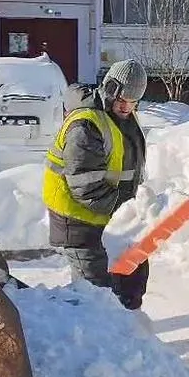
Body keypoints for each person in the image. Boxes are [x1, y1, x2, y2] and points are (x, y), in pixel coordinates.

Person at [42, 59, 149, 310]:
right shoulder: (87, 124)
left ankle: (130, 332)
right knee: (95, 294)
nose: (126, 107)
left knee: (132, 276)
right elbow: (84, 184)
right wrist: (124, 213)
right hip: (79, 220)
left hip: (107, 216)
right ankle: (92, 341)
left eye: (133, 102)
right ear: (110, 90)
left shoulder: (122, 117)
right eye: (122, 99)